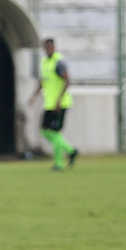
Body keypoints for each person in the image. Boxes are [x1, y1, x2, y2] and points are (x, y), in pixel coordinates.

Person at [28, 38, 79, 171]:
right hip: (49, 104)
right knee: (44, 131)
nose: (48, 49)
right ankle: (71, 151)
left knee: (55, 133)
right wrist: (33, 96)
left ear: (54, 47)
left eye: (50, 47)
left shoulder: (59, 62)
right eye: (46, 47)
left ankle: (59, 164)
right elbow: (42, 82)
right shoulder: (44, 62)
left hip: (60, 104)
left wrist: (59, 100)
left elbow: (67, 81)